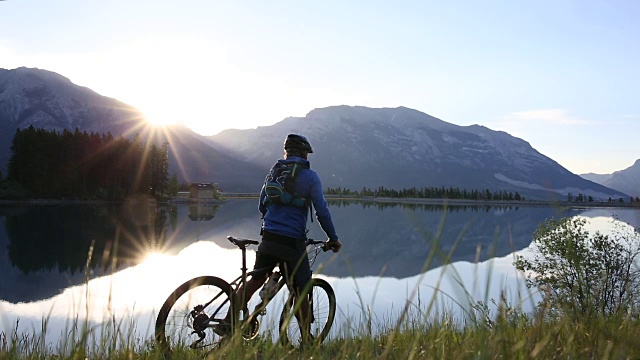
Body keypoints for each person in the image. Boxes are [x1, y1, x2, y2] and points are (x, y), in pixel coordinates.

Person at [220, 133, 341, 342]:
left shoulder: (274, 173)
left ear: (286, 153)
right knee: (302, 289)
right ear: (304, 154)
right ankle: (306, 340)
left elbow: (261, 204)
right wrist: (333, 238)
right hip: (292, 242)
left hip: (268, 236)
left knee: (256, 279)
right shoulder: (311, 177)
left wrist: (273, 223)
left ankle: (228, 321)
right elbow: (322, 212)